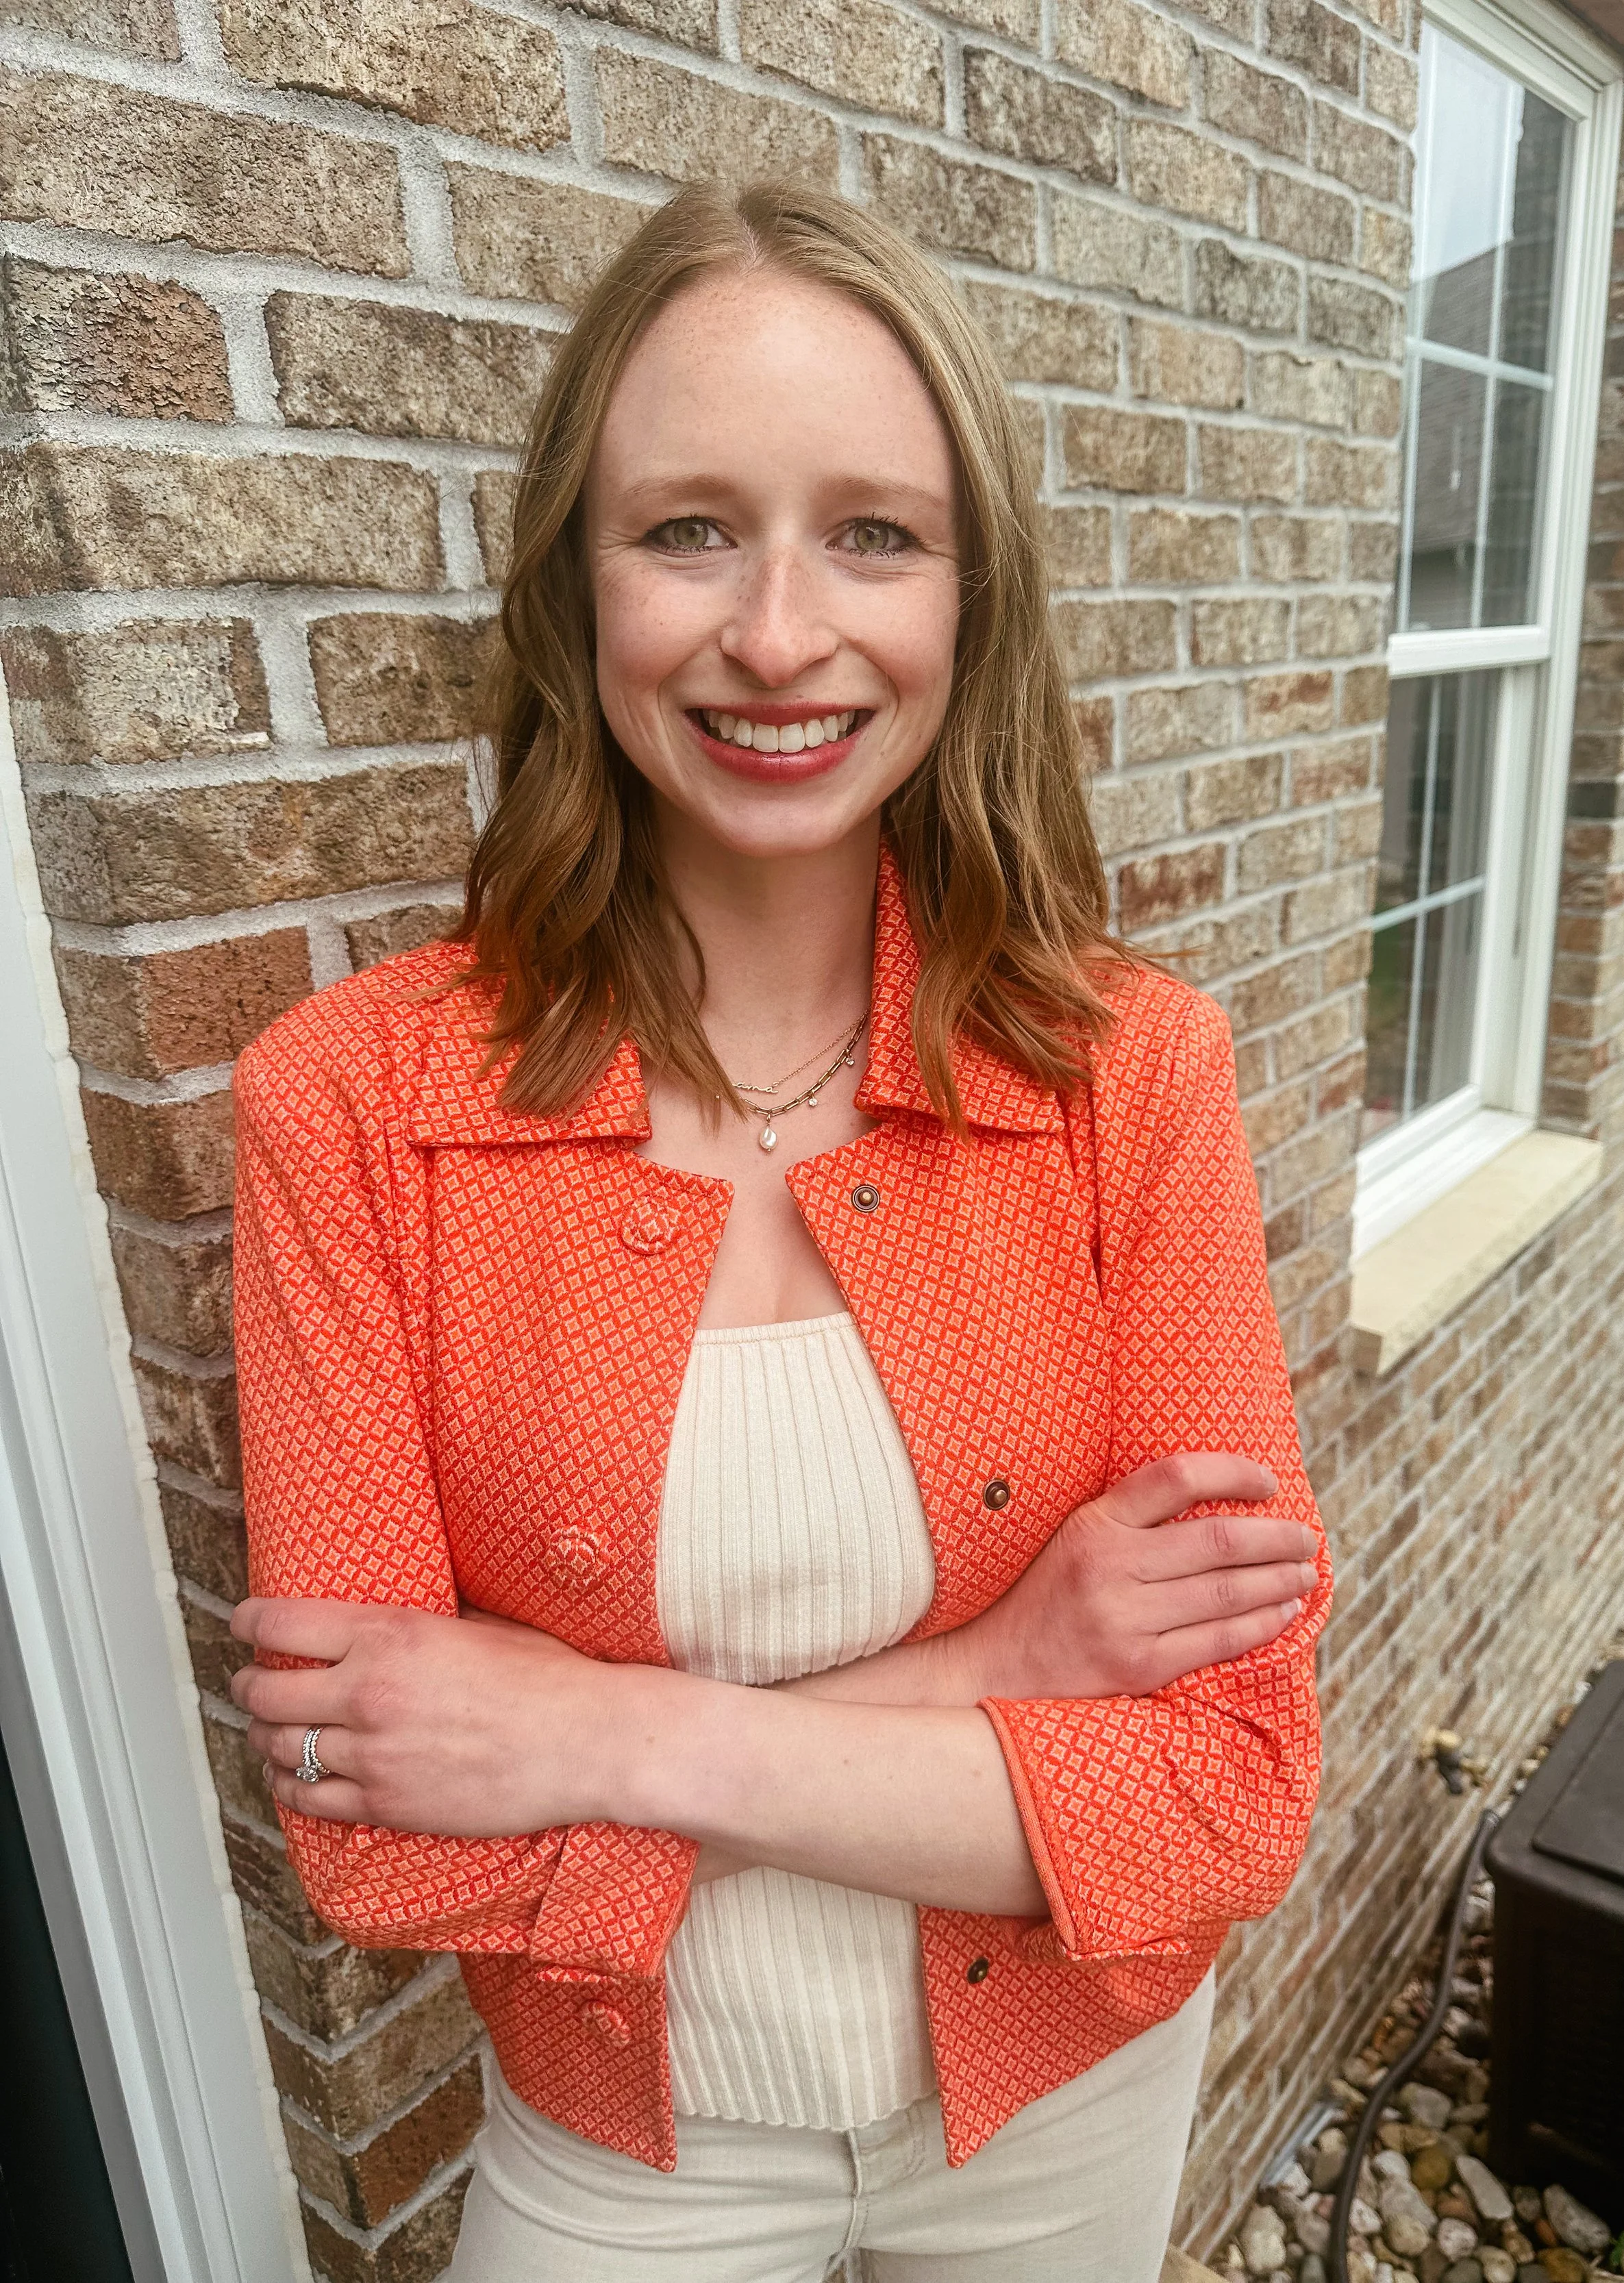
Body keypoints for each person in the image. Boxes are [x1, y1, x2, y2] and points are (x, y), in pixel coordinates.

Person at [226, 180, 1332, 2282]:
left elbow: (1221, 1787)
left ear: (968, 595)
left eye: (873, 533)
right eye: (688, 528)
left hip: (1067, 2077)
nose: (777, 632)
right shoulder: (354, 1108)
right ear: (576, 583)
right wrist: (1004, 1672)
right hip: (629, 2142)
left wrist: (598, 1730)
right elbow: (372, 1831)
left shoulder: (1129, 1075)